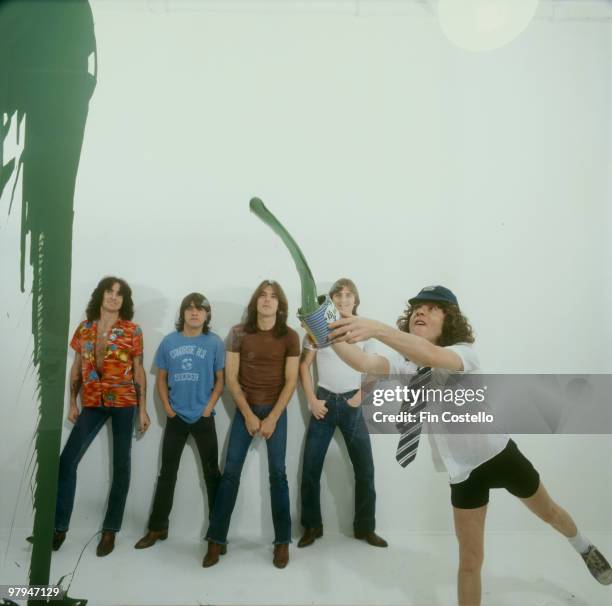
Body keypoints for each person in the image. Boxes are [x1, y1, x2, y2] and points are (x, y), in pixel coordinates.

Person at [328, 285, 612, 606]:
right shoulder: (407, 364)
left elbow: (433, 356)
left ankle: (583, 545)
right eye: (417, 308)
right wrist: (325, 332)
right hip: (463, 473)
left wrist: (377, 328)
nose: (421, 311)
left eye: (433, 308)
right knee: (470, 561)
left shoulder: (463, 352)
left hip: (500, 456)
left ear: (449, 320)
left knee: (550, 513)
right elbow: (363, 362)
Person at [203, 280, 300, 569]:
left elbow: (291, 380)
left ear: (280, 305)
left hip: (276, 411)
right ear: (255, 302)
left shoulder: (291, 336)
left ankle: (282, 541)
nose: (267, 300)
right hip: (246, 408)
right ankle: (216, 539)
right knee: (230, 473)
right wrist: (247, 414)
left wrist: (271, 417)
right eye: (262, 296)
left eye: (273, 297)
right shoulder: (237, 333)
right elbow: (231, 379)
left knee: (278, 475)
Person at [54, 276, 150, 557]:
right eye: (109, 292)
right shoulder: (84, 329)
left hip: (124, 403)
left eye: (119, 294)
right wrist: (72, 402)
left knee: (121, 466)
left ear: (124, 301)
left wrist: (143, 409)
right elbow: (76, 367)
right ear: (101, 296)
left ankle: (110, 531)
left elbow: (139, 369)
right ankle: (59, 528)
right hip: (92, 402)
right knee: (66, 461)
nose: (114, 297)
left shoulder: (133, 330)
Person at [298, 278, 387, 549]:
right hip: (323, 404)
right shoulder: (317, 329)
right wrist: (312, 400)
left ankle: (365, 528)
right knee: (311, 468)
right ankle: (312, 527)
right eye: (338, 295)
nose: (343, 299)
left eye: (349, 295)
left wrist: (360, 397)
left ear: (355, 300)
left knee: (365, 470)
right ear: (332, 301)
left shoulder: (364, 331)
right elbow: (304, 367)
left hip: (353, 406)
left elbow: (375, 370)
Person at [135, 293, 224, 552]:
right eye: (190, 309)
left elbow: (220, 380)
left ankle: (217, 535)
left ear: (207, 315)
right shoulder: (169, 342)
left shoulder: (214, 343)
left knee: (212, 475)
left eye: (200, 310)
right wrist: (167, 409)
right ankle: (157, 527)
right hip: (176, 417)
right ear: (183, 313)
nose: (194, 313)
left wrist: (208, 408)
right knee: (167, 475)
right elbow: (161, 379)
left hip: (203, 417)